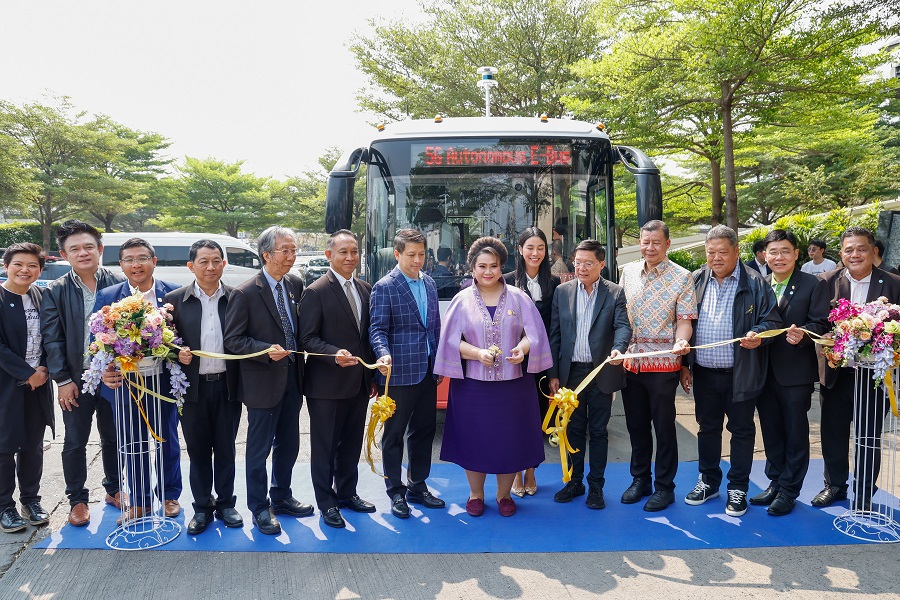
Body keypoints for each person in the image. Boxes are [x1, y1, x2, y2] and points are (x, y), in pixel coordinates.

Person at [435, 237, 552, 517]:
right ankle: (476, 494)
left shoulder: (519, 297)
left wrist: (522, 350)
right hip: (472, 386)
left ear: (502, 267)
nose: (488, 272)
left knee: (509, 439)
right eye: (482, 266)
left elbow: (533, 335)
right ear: (472, 268)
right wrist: (477, 353)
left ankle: (503, 494)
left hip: (513, 386)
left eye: (494, 266)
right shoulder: (461, 300)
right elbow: (450, 341)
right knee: (473, 439)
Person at [681, 225, 781, 517]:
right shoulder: (696, 279)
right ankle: (708, 481)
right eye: (710, 252)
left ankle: (738, 488)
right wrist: (685, 367)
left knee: (741, 430)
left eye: (722, 252)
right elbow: (684, 322)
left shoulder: (756, 283)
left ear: (736, 251)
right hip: (704, 372)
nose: (716, 258)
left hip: (741, 373)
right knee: (707, 428)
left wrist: (758, 333)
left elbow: (773, 321)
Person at [223, 226, 313, 535]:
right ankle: (259, 507)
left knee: (289, 444)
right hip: (262, 382)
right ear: (266, 255)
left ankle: (282, 496)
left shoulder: (295, 284)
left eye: (293, 250)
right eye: (284, 251)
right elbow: (233, 340)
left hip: (293, 377)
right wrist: (264, 350)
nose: (291, 256)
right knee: (259, 449)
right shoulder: (245, 293)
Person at [40, 220, 124, 527]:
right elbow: (52, 339)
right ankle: (77, 499)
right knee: (75, 440)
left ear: (100, 249)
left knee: (114, 436)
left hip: (114, 376)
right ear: (65, 254)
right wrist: (62, 380)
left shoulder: (119, 283)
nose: (83, 253)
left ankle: (114, 489)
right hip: (76, 378)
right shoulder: (56, 291)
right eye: (74, 249)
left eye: (89, 246)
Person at [813, 227, 900, 510]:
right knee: (833, 434)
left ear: (873, 251)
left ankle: (863, 492)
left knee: (868, 436)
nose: (855, 255)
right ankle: (835, 486)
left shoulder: (894, 283)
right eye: (849, 250)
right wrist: (825, 339)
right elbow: (817, 323)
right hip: (837, 373)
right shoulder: (825, 282)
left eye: (861, 249)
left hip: (875, 377)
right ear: (841, 253)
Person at [96, 238, 182, 523]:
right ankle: (141, 501)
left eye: (142, 258)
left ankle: (169, 495)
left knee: (167, 439)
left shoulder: (173, 294)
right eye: (129, 260)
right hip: (125, 385)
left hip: (163, 382)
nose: (136, 264)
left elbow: (183, 336)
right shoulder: (109, 296)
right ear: (121, 265)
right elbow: (97, 340)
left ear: (153, 261)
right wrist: (105, 370)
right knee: (132, 443)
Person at [298, 230, 377, 529]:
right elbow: (307, 338)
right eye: (343, 252)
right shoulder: (316, 291)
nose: (350, 257)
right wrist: (334, 354)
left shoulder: (365, 288)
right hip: (326, 386)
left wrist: (372, 374)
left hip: (359, 382)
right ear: (329, 255)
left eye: (354, 251)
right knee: (325, 448)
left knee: (351, 444)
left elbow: (366, 337)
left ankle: (347, 493)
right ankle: (327, 502)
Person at [750, 229, 829, 516]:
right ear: (764, 255)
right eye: (773, 252)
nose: (779, 257)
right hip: (762, 370)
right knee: (771, 429)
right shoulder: (758, 284)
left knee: (795, 432)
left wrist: (804, 334)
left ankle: (789, 490)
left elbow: (821, 323)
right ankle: (775, 481)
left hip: (795, 373)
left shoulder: (813, 284)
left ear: (796, 254)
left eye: (785, 251)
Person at [548, 239, 632, 510]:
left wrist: (619, 349)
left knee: (597, 431)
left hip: (600, 372)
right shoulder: (562, 292)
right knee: (572, 429)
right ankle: (574, 482)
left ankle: (596, 486)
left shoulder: (614, 293)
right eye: (578, 262)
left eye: (588, 263)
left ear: (601, 264)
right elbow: (555, 335)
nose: (581, 268)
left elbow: (623, 326)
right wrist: (553, 373)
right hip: (571, 374)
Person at [166, 240, 243, 535]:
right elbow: (163, 343)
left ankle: (226, 504)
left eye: (216, 261)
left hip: (227, 386)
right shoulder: (174, 301)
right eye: (203, 262)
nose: (211, 267)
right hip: (192, 389)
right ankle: (201, 507)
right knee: (197, 451)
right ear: (191, 266)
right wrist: (177, 353)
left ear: (224, 263)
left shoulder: (237, 298)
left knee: (226, 448)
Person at [618, 220, 695, 512]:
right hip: (631, 363)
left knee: (663, 428)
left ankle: (665, 487)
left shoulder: (682, 277)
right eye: (645, 242)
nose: (650, 247)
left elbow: (685, 321)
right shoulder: (628, 272)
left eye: (656, 242)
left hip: (663, 365)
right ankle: (640, 480)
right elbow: (621, 317)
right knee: (636, 426)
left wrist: (682, 341)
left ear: (667, 244)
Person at [369, 228, 445, 519]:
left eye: (422, 254)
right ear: (397, 254)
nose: (417, 260)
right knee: (394, 435)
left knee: (424, 430)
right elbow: (377, 329)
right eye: (411, 255)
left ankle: (418, 485)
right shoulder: (385, 286)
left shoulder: (430, 283)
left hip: (427, 370)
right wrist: (382, 353)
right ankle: (395, 492)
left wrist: (439, 362)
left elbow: (434, 326)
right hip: (397, 372)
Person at [0, 243, 54, 534]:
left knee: (33, 445)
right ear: (6, 266)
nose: (25, 270)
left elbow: (52, 336)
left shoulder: (41, 296)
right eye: (18, 264)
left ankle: (31, 500)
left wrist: (43, 368)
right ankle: (4, 506)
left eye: (32, 265)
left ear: (40, 270)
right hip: (7, 386)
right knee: (4, 446)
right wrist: (27, 373)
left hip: (38, 384)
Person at [504, 227, 559, 498]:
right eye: (530, 248)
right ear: (520, 250)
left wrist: (554, 371)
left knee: (536, 417)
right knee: (513, 417)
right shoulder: (506, 282)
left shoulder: (556, 284)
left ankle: (530, 470)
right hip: (512, 359)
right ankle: (515, 471)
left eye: (540, 248)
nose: (535, 253)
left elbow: (556, 329)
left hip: (541, 362)